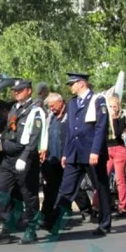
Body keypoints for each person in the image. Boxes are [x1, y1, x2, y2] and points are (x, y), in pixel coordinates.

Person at [0, 80, 45, 245]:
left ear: (28, 91)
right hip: (8, 159)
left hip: (24, 159)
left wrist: (24, 157)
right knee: (1, 192)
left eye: (19, 90)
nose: (16, 93)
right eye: (14, 91)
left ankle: (31, 229)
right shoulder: (15, 108)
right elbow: (10, 128)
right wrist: (0, 138)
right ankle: (4, 228)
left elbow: (34, 137)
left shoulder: (35, 111)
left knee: (29, 195)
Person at [53, 73, 112, 237]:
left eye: (72, 84)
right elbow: (71, 131)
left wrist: (95, 150)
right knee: (66, 187)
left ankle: (104, 223)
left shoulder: (97, 100)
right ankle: (54, 222)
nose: (70, 87)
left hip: (91, 153)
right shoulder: (72, 104)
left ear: (81, 83)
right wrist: (66, 153)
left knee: (100, 187)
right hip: (75, 153)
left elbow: (101, 127)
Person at [39, 93, 92, 230]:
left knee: (73, 187)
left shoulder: (70, 115)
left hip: (67, 156)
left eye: (53, 106)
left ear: (60, 102)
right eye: (49, 106)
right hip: (52, 158)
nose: (51, 109)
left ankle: (86, 210)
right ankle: (47, 215)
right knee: (51, 189)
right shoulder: (50, 117)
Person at [91, 95, 126, 218]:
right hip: (107, 149)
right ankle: (96, 205)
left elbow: (117, 133)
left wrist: (114, 118)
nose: (113, 109)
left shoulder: (122, 118)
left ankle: (122, 207)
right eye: (110, 106)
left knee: (120, 179)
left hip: (119, 149)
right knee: (102, 177)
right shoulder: (103, 118)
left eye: (115, 106)